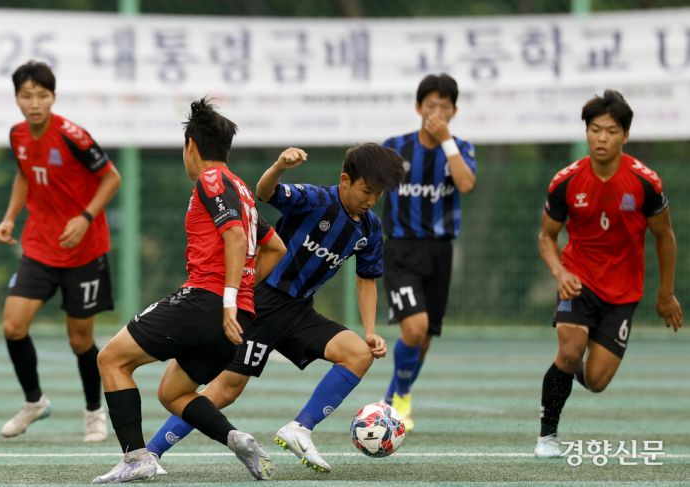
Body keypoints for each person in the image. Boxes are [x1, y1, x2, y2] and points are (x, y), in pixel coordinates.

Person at [146, 142, 406, 473]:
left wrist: (370, 331)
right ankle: (152, 453)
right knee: (226, 390)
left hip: (298, 312)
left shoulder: (370, 228)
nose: (371, 200)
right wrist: (280, 166)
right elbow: (266, 192)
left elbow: (367, 278)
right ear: (345, 180)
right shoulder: (315, 200)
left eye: (378, 194)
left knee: (359, 353)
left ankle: (299, 428)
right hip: (262, 302)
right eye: (367, 190)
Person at [92, 98, 285, 483]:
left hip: (209, 302)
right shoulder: (243, 190)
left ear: (191, 147)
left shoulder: (211, 180)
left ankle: (135, 459)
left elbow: (233, 235)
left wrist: (226, 298)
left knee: (111, 360)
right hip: (239, 316)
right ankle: (236, 438)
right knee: (174, 393)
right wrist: (240, 294)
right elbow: (276, 247)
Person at [534, 89, 683, 458]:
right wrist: (558, 271)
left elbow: (664, 236)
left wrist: (665, 294)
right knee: (569, 352)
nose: (602, 138)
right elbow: (546, 237)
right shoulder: (565, 181)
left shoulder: (645, 182)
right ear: (586, 133)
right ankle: (547, 437)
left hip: (623, 290)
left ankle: (579, 363)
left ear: (625, 136)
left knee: (597, 380)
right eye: (595, 130)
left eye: (611, 131)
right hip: (577, 279)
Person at [0, 61, 121, 442]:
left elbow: (112, 178)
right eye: (26, 96)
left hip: (84, 251)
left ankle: (94, 411)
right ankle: (34, 402)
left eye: (42, 95)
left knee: (80, 341)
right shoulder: (17, 134)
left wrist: (84, 217)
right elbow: (24, 174)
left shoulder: (72, 136)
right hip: (39, 246)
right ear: (16, 98)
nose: (34, 103)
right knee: (12, 326)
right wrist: (9, 217)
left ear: (53, 97)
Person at [380, 73, 476, 431]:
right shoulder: (395, 148)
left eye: (445, 107)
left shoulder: (461, 148)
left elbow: (466, 184)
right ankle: (400, 396)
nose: (437, 112)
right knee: (414, 327)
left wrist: (447, 140)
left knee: (426, 337)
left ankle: (392, 398)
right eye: (431, 105)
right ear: (418, 107)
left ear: (454, 111)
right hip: (402, 250)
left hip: (439, 251)